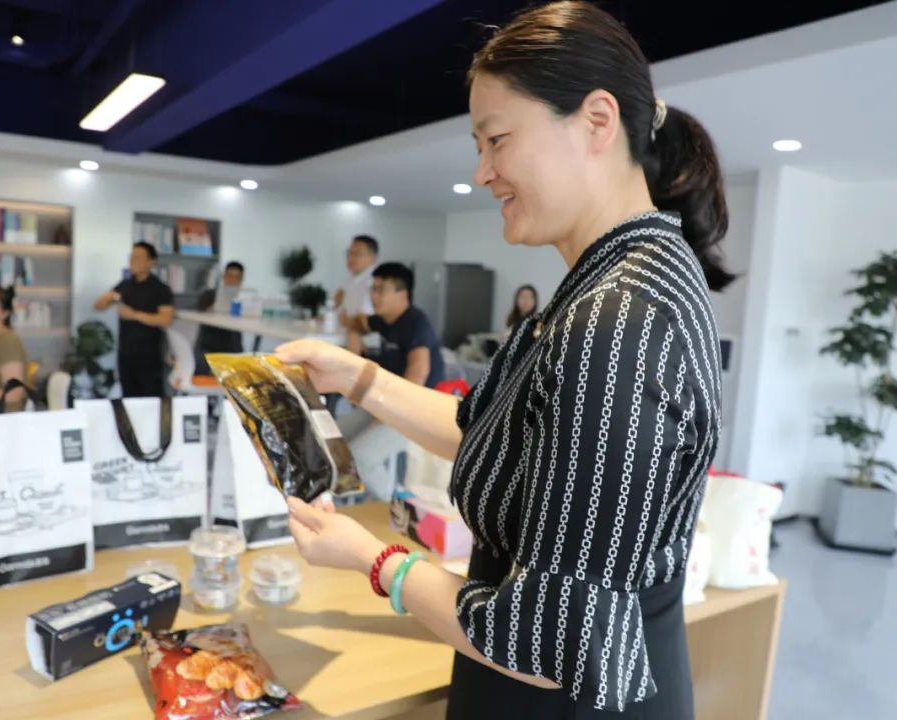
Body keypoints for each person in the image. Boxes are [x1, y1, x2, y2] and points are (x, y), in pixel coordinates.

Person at [274, 3, 729, 718]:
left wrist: (374, 558)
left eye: (497, 140)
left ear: (597, 121)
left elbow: (550, 641)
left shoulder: (620, 319)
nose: (482, 172)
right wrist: (358, 378)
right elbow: (500, 437)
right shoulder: (613, 284)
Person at [93, 242, 174, 397]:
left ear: (151, 262)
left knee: (150, 401)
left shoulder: (160, 289)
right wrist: (110, 296)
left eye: (138, 257)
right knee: (128, 399)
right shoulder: (125, 284)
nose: (133, 261)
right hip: (125, 354)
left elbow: (165, 319)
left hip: (149, 357)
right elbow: (98, 306)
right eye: (132, 257)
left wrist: (134, 315)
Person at [349, 262, 445, 389]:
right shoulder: (382, 319)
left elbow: (419, 372)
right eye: (373, 289)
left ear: (402, 294)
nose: (373, 296)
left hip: (419, 397)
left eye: (380, 290)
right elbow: (357, 325)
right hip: (389, 392)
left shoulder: (416, 323)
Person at [194, 261, 245, 374]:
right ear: (224, 276)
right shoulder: (209, 294)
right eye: (230, 276)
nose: (233, 280)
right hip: (210, 344)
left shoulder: (244, 297)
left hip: (233, 344)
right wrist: (216, 307)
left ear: (241, 280)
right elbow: (200, 312)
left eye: (237, 277)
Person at [333, 235, 378, 333]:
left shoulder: (375, 281)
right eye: (349, 253)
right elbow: (337, 305)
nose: (350, 257)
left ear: (373, 258)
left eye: (357, 254)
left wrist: (347, 320)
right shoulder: (351, 278)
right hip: (344, 335)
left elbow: (364, 322)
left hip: (365, 340)